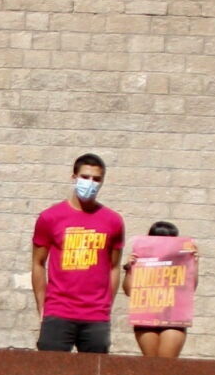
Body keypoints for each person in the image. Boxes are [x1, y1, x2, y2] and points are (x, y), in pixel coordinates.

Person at [31, 153, 123, 353]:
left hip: (96, 316)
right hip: (58, 311)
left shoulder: (113, 221)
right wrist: (42, 306)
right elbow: (38, 263)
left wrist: (107, 304)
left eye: (96, 179)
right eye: (85, 177)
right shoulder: (50, 217)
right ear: (74, 177)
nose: (90, 183)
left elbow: (114, 267)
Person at [130, 219, 190, 359]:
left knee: (166, 365)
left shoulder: (180, 261)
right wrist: (130, 267)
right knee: (151, 364)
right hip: (147, 316)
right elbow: (129, 290)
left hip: (173, 317)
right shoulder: (141, 259)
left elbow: (190, 287)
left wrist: (193, 261)